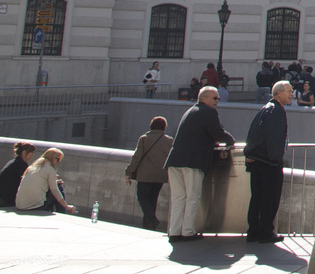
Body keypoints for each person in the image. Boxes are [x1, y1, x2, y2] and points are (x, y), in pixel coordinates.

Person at [164, 85, 235, 241]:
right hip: (193, 161)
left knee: (178, 198)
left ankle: (175, 232)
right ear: (203, 98)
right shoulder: (208, 112)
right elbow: (218, 133)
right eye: (215, 98)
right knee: (192, 197)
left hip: (175, 160)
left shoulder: (190, 111)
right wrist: (231, 140)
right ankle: (188, 231)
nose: (218, 100)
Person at [245, 80, 292, 244]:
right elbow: (274, 138)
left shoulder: (265, 109)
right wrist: (275, 161)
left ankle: (254, 231)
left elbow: (254, 135)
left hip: (258, 160)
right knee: (269, 198)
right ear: (278, 93)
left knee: (257, 197)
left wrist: (250, 155)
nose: (292, 94)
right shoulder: (276, 111)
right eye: (289, 91)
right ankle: (265, 231)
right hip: (268, 162)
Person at [124, 117, 173, 231]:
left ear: (151, 125)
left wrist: (128, 172)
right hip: (161, 175)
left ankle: (152, 220)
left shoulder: (144, 138)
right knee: (152, 199)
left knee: (142, 197)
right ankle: (148, 226)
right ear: (164, 127)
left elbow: (137, 157)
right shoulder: (169, 140)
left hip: (145, 175)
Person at [16, 148, 74, 213]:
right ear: (51, 158)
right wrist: (66, 206)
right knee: (59, 188)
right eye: (57, 159)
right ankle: (62, 211)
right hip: (35, 206)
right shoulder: (50, 169)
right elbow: (54, 189)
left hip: (20, 205)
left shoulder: (33, 166)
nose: (58, 162)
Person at [0, 142, 36, 207]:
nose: (32, 155)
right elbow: (26, 182)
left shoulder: (15, 161)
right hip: (4, 198)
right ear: (24, 152)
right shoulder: (21, 164)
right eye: (31, 153)